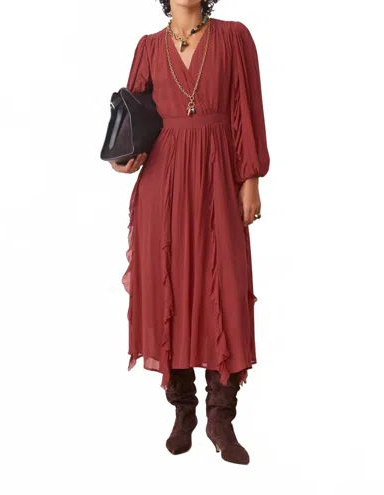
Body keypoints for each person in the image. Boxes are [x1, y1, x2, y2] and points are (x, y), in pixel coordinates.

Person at [109, 0, 270, 465]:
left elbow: (246, 108)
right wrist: (123, 158)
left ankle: (222, 419)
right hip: (162, 184)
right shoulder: (148, 47)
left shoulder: (234, 37)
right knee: (170, 291)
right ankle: (183, 411)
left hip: (220, 176)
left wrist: (251, 178)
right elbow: (134, 117)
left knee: (226, 289)